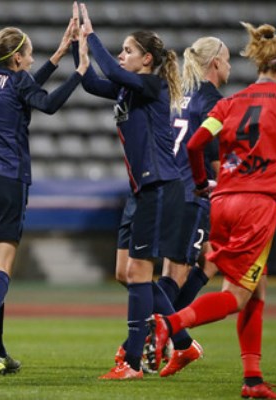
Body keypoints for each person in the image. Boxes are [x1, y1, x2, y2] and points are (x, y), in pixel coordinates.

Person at [148, 22, 276, 399]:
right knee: (237, 297)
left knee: (256, 290)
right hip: (258, 205)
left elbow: (196, 145)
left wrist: (199, 184)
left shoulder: (229, 102)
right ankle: (169, 324)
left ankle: (253, 379)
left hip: (222, 202)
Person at [0, 6, 89, 376]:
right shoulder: (18, 81)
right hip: (4, 179)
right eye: (29, 56)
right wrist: (78, 72)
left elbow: (24, 88)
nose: (32, 62)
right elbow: (43, 103)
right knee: (0, 270)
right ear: (17, 58)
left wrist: (58, 55)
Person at [74, 3, 187, 380]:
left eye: (128, 50)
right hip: (141, 190)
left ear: (147, 59)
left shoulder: (150, 85)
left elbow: (108, 69)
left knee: (139, 273)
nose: (122, 56)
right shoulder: (130, 91)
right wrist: (80, 42)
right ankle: (184, 342)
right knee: (126, 272)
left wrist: (92, 34)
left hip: (158, 187)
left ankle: (133, 363)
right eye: (121, 50)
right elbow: (91, 81)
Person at [149, 36, 232, 377]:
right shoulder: (211, 99)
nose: (229, 66)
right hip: (193, 193)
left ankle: (164, 334)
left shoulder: (179, 94)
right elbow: (212, 156)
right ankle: (170, 338)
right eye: (227, 60)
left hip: (169, 189)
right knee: (174, 274)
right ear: (215, 64)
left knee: (211, 260)